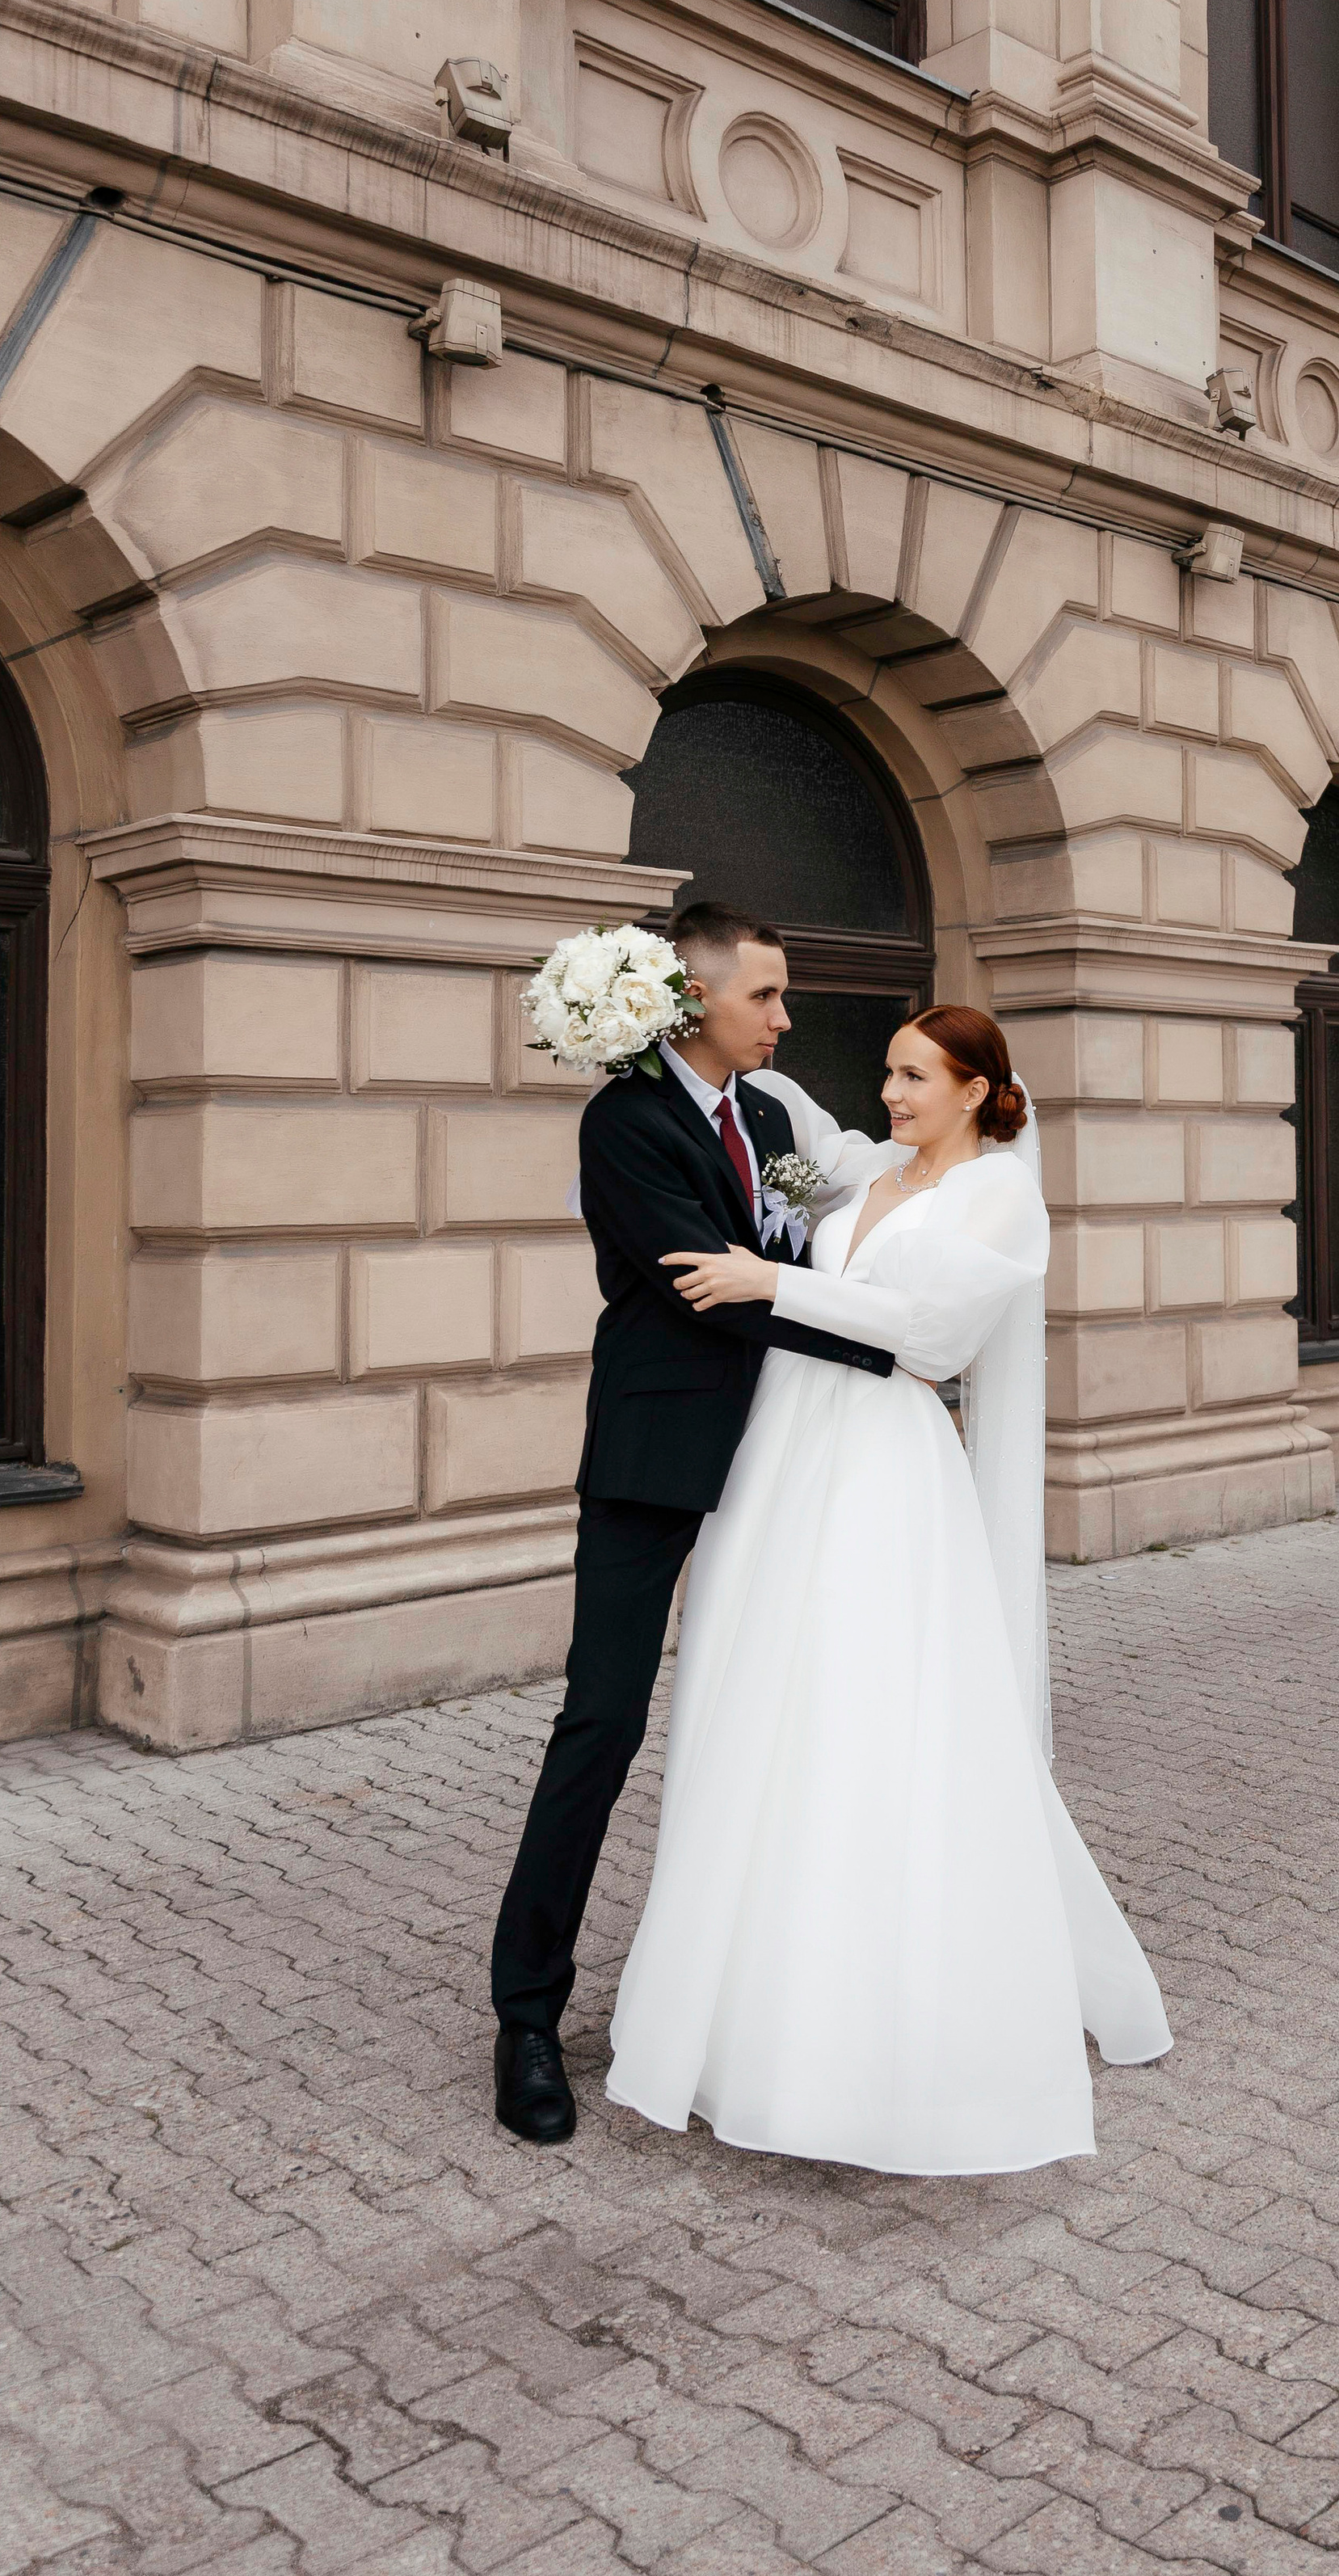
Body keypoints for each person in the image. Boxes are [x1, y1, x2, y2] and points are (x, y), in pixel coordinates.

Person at [604, 1005, 1170, 2176]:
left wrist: (770, 1281)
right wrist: (651, 1024)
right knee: (762, 1698)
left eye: (916, 1075)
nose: (894, 1092)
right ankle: (744, 1996)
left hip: (884, 1459)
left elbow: (932, 1337)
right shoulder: (864, 1174)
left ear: (976, 1090)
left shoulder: (999, 1198)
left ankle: (869, 2015)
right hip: (783, 1451)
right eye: (889, 1071)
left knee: (866, 1703)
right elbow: (771, 1109)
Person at [489, 900, 896, 2146]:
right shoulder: (625, 1123)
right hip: (656, 1454)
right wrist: (887, 1349)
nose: (785, 1018)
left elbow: (805, 1240)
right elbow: (704, 1287)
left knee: (790, 1710)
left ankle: (764, 1987)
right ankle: (525, 2016)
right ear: (695, 998)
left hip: (783, 1451)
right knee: (603, 1722)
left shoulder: (766, 1119)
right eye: (765, 995)